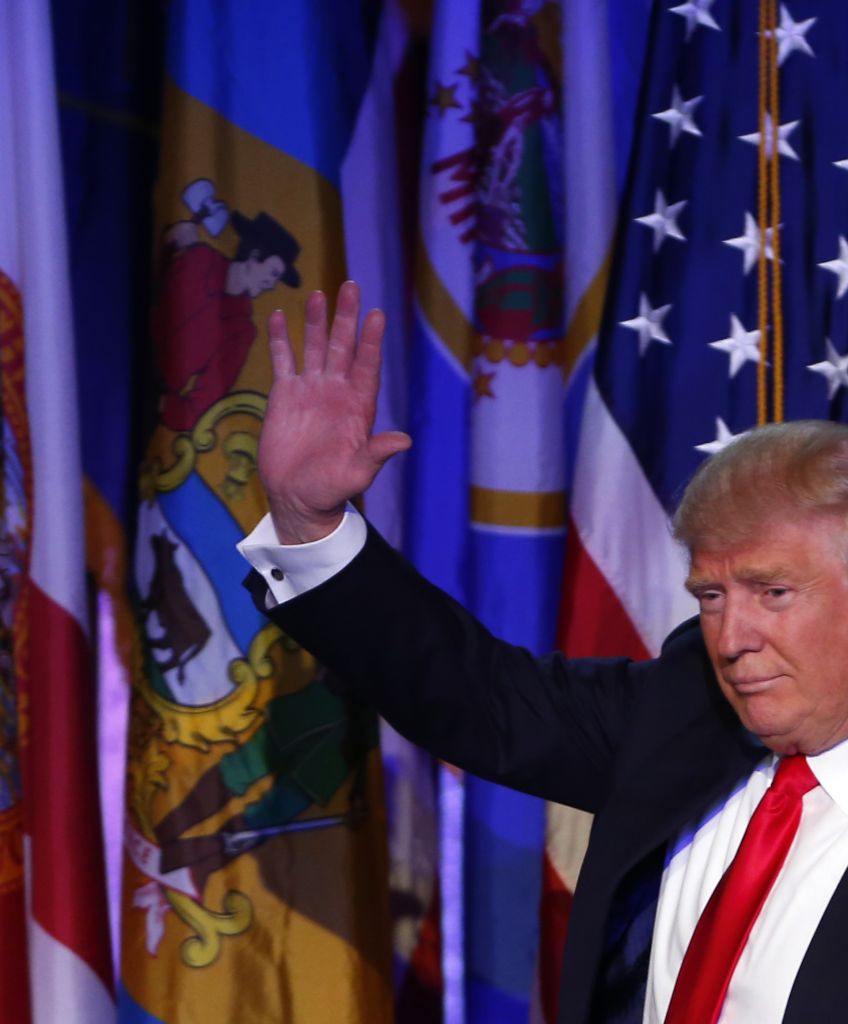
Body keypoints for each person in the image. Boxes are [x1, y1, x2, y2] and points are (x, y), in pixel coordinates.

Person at [237, 281, 848, 1023]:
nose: (732, 637)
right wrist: (309, 520)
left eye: (772, 592)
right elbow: (481, 697)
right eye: (711, 596)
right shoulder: (691, 705)